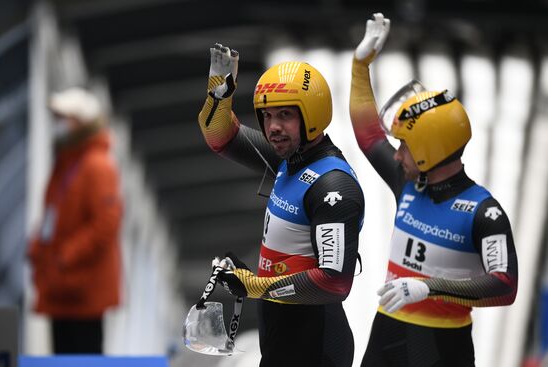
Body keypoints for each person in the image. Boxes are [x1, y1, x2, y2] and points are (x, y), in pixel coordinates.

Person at [349, 13, 519, 367]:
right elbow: (368, 134)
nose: (396, 154)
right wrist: (360, 67)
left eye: (405, 146)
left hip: (444, 347)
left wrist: (430, 286)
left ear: (430, 149)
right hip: (387, 335)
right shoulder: (408, 181)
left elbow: (505, 285)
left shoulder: (484, 212)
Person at [197, 44, 365, 366]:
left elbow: (334, 282)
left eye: (285, 115)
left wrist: (258, 286)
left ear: (311, 116)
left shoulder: (333, 185)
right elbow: (220, 138)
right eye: (267, 116)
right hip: (283, 337)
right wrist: (218, 93)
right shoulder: (288, 159)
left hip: (316, 343)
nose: (273, 127)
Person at [28, 87, 123, 354]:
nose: (57, 124)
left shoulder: (97, 166)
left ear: (81, 123)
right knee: (63, 353)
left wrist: (64, 256)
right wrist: (40, 251)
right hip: (61, 285)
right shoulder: (67, 164)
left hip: (83, 287)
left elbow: (106, 224)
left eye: (63, 117)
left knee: (83, 352)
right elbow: (52, 217)